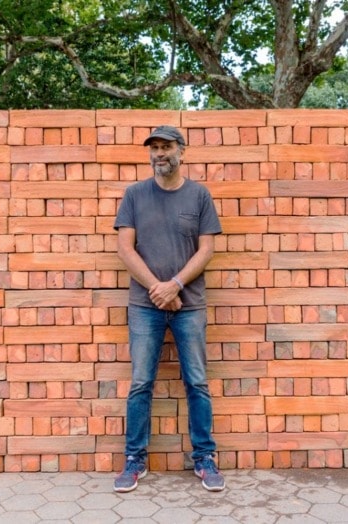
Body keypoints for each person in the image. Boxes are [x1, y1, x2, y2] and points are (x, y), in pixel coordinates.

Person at [112, 125, 225, 493]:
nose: (160, 153)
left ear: (182, 152)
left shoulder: (199, 196)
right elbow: (126, 249)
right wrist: (158, 290)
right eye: (155, 148)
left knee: (196, 381)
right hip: (144, 306)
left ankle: (205, 458)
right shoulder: (134, 195)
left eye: (167, 147)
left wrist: (174, 286)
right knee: (142, 382)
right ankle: (134, 459)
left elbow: (206, 250)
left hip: (189, 305)